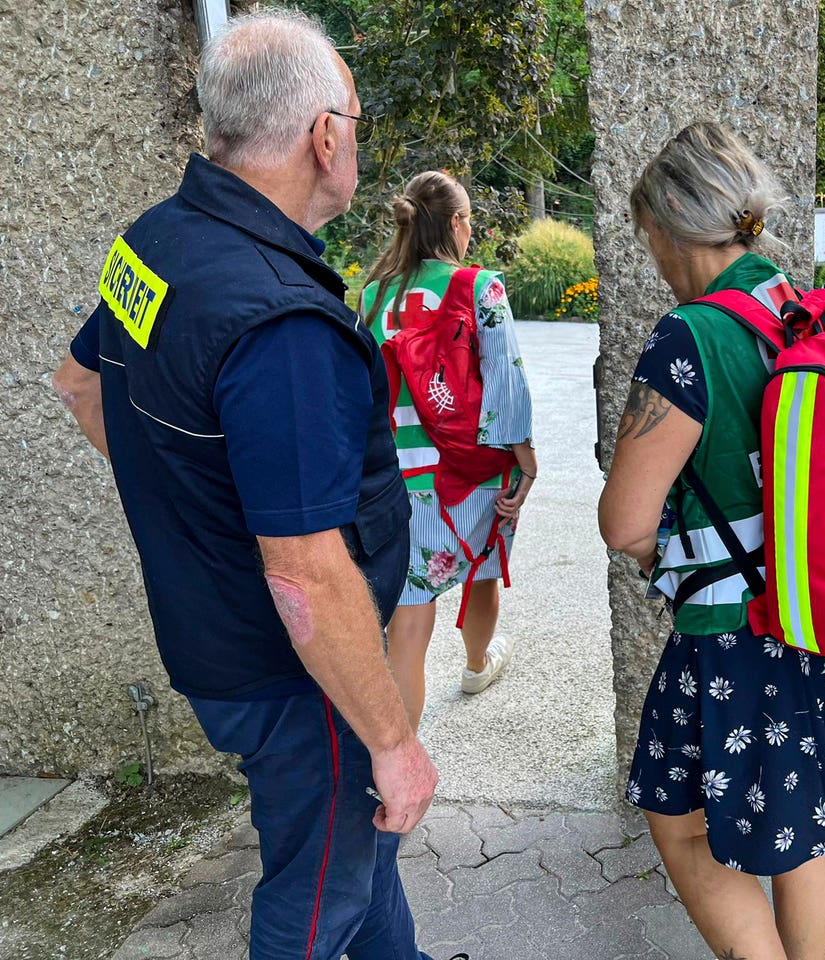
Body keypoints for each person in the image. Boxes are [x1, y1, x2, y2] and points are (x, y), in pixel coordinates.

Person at [52, 12, 456, 960]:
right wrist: (395, 742)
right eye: (354, 118)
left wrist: (195, 518)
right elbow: (306, 578)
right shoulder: (282, 325)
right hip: (295, 677)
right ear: (326, 136)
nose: (355, 138)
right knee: (317, 888)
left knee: (354, 850)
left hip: (215, 641)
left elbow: (80, 385)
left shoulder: (155, 239)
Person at [599, 122, 825, 960]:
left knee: (680, 823)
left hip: (734, 637)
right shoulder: (797, 305)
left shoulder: (688, 337)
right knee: (801, 826)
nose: (650, 254)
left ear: (666, 221)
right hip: (823, 619)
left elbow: (625, 521)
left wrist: (664, 555)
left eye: (645, 234)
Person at [362, 171, 536, 719]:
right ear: (458, 223)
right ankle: (478, 664)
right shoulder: (478, 287)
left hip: (400, 476)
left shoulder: (374, 293)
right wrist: (527, 466)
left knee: (409, 618)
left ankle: (400, 758)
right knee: (482, 565)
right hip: (475, 472)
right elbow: (506, 385)